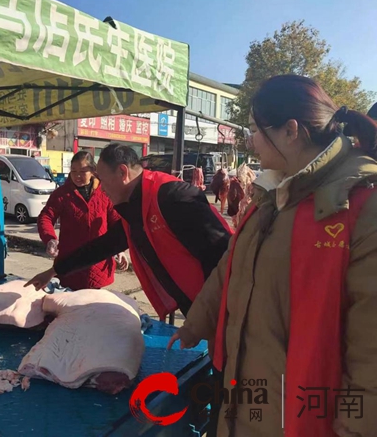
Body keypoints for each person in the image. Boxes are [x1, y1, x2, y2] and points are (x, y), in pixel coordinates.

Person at [169, 74, 377, 437]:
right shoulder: (273, 191)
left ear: (290, 131)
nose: (249, 140)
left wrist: (356, 429)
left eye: (254, 129)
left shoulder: (361, 205)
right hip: (242, 395)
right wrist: (195, 324)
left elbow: (370, 349)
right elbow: (230, 267)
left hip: (301, 416)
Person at [26, 143, 233, 320]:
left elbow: (225, 257)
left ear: (123, 173)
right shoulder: (133, 207)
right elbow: (102, 247)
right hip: (197, 309)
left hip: (221, 309)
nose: (102, 189)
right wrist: (54, 271)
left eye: (103, 181)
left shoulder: (173, 197)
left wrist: (204, 316)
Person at [37, 151, 128, 290]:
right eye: (73, 171)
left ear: (92, 171)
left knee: (94, 307)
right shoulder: (62, 194)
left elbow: (116, 221)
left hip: (99, 265)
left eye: (82, 171)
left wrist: (119, 250)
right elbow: (46, 217)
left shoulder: (105, 192)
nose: (77, 175)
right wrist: (50, 238)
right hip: (70, 263)